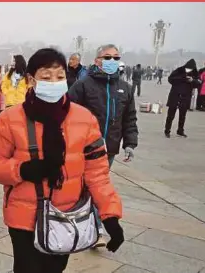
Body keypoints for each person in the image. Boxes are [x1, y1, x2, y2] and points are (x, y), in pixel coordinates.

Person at [0, 48, 123, 273]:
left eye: (59, 76)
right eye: (46, 77)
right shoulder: (9, 119)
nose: (54, 82)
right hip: (23, 218)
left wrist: (110, 215)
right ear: (31, 80)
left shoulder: (84, 119)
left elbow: (97, 174)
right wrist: (22, 170)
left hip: (66, 216)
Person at [68, 44, 137, 248]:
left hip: (110, 148)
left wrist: (130, 143)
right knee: (82, 188)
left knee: (98, 188)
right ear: (97, 60)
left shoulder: (125, 87)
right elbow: (67, 112)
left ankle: (95, 228)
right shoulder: (83, 85)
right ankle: (81, 224)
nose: (112, 61)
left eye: (116, 58)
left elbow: (129, 118)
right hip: (84, 148)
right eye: (107, 57)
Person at [164, 59, 201, 138]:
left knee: (182, 115)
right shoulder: (179, 70)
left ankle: (180, 130)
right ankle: (167, 130)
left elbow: (199, 83)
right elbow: (170, 79)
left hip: (185, 96)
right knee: (171, 114)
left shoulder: (195, 73)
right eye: (188, 68)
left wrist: (192, 80)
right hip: (175, 95)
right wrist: (182, 78)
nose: (189, 70)